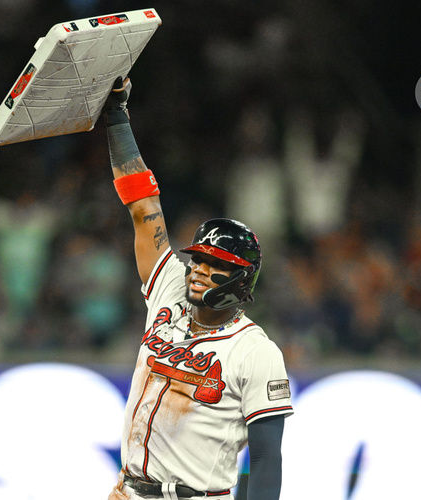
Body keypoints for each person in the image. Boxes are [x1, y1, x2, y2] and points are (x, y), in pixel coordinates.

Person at [104, 78, 294, 500]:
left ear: (242, 279)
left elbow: (266, 459)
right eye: (200, 258)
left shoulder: (255, 351)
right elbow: (143, 208)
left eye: (217, 265)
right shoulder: (169, 290)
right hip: (127, 492)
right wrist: (116, 117)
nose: (199, 269)